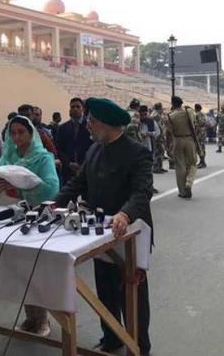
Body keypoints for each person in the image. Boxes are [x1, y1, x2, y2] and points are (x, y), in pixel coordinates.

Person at [54, 97, 153, 355]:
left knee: (132, 293)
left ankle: (139, 345)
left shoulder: (137, 152)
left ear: (107, 124)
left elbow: (142, 192)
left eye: (92, 121)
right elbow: (77, 182)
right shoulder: (94, 150)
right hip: (99, 234)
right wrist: (54, 203)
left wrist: (124, 214)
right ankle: (111, 338)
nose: (88, 125)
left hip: (129, 235)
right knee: (105, 290)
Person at [0, 115, 59, 337]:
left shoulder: (43, 157)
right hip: (12, 216)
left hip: (37, 217)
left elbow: (52, 187)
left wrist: (22, 188)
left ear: (31, 134)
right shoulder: (7, 156)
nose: (17, 137)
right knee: (19, 269)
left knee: (36, 268)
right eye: (13, 133)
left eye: (21, 132)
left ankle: (43, 319)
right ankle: (30, 317)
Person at [166, 96, 199, 199]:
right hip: (189, 139)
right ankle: (189, 183)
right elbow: (195, 123)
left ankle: (182, 191)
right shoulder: (190, 112)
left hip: (178, 140)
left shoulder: (171, 116)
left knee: (180, 166)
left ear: (173, 104)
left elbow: (169, 131)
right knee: (193, 163)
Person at [55, 98, 92, 186]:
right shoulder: (62, 128)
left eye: (78, 107)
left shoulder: (90, 126)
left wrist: (83, 165)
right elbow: (59, 149)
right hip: (68, 171)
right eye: (72, 107)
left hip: (87, 169)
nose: (75, 109)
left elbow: (93, 147)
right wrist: (69, 163)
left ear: (83, 109)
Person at [150, 103, 167, 173]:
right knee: (158, 151)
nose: (162, 110)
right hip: (157, 136)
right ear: (159, 108)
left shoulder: (156, 114)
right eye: (161, 108)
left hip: (158, 135)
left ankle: (159, 166)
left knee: (161, 151)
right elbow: (158, 127)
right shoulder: (156, 115)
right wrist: (161, 135)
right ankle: (156, 167)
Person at [194, 104, 207, 168]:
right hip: (202, 132)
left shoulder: (198, 114)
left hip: (199, 133)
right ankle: (202, 161)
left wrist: (196, 127)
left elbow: (201, 122)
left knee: (200, 147)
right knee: (201, 147)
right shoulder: (202, 114)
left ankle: (202, 162)